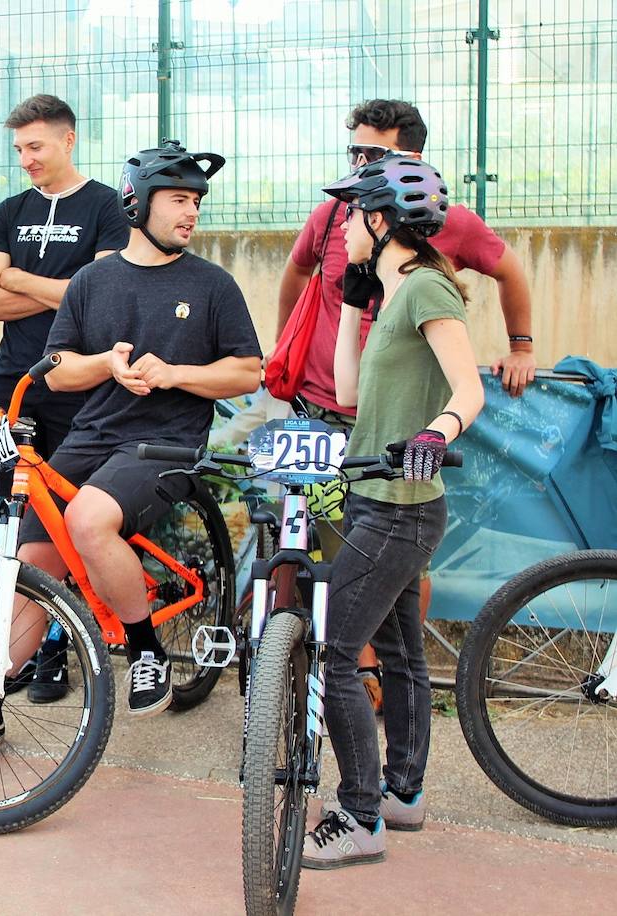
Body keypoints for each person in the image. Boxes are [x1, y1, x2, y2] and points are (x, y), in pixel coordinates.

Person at [0, 141, 262, 772]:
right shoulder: (94, 280)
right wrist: (107, 365)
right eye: (178, 200)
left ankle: (146, 652)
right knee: (31, 568)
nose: (191, 212)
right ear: (138, 203)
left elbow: (248, 371)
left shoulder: (212, 284)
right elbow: (58, 371)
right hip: (91, 435)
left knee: (89, 520)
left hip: (167, 441)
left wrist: (175, 375)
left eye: (196, 201)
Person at [276, 99, 535, 707]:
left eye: (374, 154)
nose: (359, 165)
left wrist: (521, 345)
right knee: (306, 540)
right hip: (325, 409)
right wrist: (283, 353)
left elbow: (510, 273)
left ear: (411, 158)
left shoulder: (444, 227)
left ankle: (380, 681)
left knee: (390, 564)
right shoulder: (338, 214)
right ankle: (314, 678)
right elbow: (294, 273)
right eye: (354, 152)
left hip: (394, 424)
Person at [302, 154, 485, 867]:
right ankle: (401, 794)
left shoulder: (427, 290)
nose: (343, 229)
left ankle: (358, 815)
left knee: (338, 653)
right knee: (403, 652)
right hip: (378, 498)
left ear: (380, 221)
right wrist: (352, 301)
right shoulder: (390, 294)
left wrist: (435, 436)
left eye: (352, 216)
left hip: (400, 508)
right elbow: (348, 393)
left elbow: (469, 389)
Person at [0, 93, 129, 703]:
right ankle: (23, 651)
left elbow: (98, 298)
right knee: (17, 527)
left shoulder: (109, 208)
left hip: (83, 387)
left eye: (35, 146)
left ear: (69, 140)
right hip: (16, 387)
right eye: (18, 149)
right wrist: (61, 290)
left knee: (74, 525)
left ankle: (62, 647)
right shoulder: (9, 210)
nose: (26, 159)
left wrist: (15, 276)